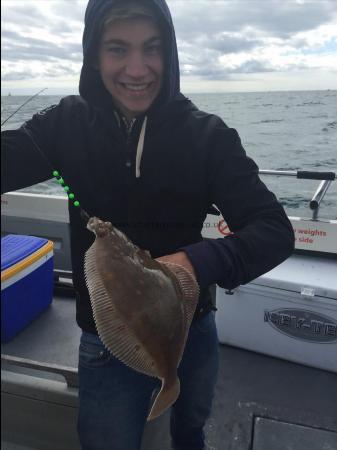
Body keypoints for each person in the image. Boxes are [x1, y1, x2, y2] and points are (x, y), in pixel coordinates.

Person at [1, 0, 295, 449]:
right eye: (117, 49)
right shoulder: (63, 125)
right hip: (105, 337)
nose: (137, 69)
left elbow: (274, 229)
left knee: (190, 427)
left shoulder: (207, 136)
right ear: (94, 55)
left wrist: (196, 262)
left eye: (152, 49)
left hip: (190, 326)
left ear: (170, 53)